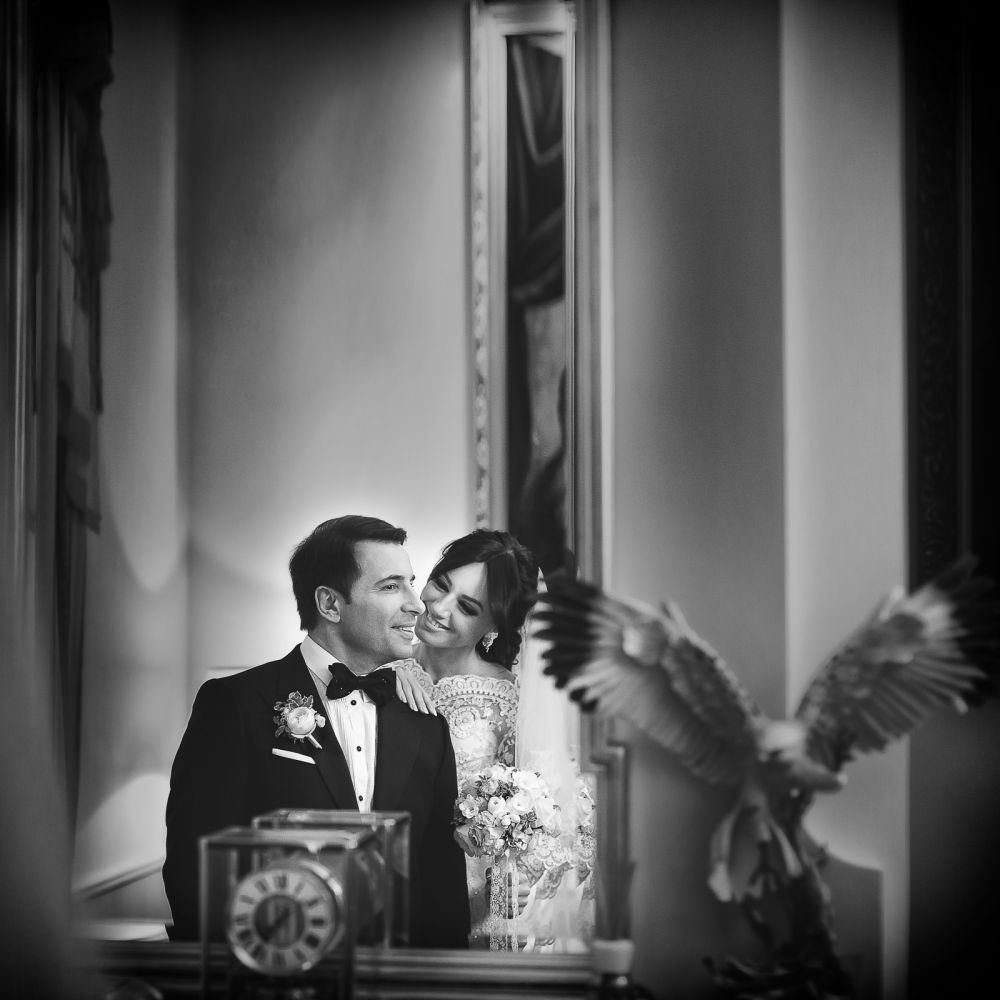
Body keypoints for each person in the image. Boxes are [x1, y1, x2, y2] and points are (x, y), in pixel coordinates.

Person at [162, 514, 470, 948]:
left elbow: (441, 876)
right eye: (390, 586)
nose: (416, 604)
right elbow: (194, 863)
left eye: (411, 583)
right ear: (329, 604)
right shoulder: (235, 704)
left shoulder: (426, 721)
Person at [393, 528, 583, 949]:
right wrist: (396, 670)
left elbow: (545, 813)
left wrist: (515, 881)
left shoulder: (510, 701)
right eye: (441, 584)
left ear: (494, 624)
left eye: (467, 606)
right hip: (391, 879)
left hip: (471, 895)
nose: (438, 608)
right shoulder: (379, 673)